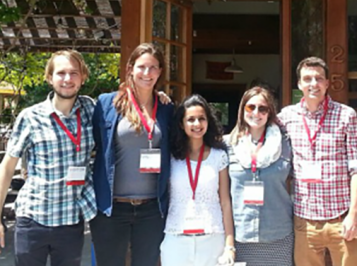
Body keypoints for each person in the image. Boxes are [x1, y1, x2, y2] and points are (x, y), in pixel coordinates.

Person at [0, 50, 95, 266]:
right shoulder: (30, 117)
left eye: (74, 73)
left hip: (71, 221)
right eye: (61, 73)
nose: (68, 79)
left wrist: (156, 96)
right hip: (33, 219)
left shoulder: (91, 110)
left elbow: (125, 112)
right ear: (49, 78)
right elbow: (7, 167)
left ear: (82, 78)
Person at [277, 57, 357, 266]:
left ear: (327, 83)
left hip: (341, 218)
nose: (313, 84)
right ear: (299, 84)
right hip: (304, 221)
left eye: (319, 78)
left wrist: (354, 214)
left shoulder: (346, 116)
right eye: (307, 79)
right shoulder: (286, 118)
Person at [90, 43, 174, 266]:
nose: (147, 73)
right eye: (142, 67)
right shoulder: (107, 103)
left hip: (151, 208)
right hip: (112, 207)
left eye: (154, 67)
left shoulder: (166, 108)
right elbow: (94, 145)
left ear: (160, 72)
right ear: (130, 68)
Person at [161, 94, 235, 266]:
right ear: (181, 123)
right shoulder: (171, 157)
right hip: (176, 238)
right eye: (191, 119)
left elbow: (225, 202)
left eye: (201, 119)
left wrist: (229, 244)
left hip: (212, 238)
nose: (197, 124)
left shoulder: (219, 156)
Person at [225, 86, 293, 266]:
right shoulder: (226, 144)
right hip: (240, 235)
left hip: (278, 233)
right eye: (251, 107)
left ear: (270, 112)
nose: (256, 113)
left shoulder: (285, 143)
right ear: (242, 110)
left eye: (262, 108)